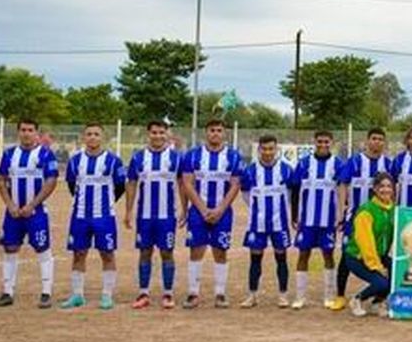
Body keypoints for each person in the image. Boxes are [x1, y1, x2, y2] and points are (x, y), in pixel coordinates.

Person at [0, 118, 60, 308]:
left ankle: (46, 292)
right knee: (10, 248)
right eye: (23, 129)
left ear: (36, 132)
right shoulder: (8, 154)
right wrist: (10, 205)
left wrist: (32, 204)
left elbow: (51, 182)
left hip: (36, 212)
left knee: (42, 248)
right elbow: (1, 180)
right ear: (18, 132)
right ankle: (7, 292)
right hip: (12, 213)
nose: (26, 133)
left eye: (30, 130)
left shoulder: (46, 154)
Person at [61, 122, 126, 310]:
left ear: (102, 137)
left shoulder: (113, 161)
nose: (92, 137)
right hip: (80, 216)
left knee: (107, 254)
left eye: (96, 134)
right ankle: (77, 295)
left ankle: (106, 295)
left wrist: (107, 202)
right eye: (89, 134)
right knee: (78, 253)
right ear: (84, 137)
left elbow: (120, 186)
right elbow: (72, 186)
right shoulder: (75, 161)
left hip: (104, 216)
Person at [180, 119, 244, 308]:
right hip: (198, 212)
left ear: (224, 133)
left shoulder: (233, 156)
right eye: (212, 130)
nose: (215, 133)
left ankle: (220, 294)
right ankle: (193, 293)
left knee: (220, 251)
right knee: (196, 250)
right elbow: (187, 184)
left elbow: (235, 185)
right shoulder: (193, 155)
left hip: (222, 212)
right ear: (206, 133)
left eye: (219, 130)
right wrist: (203, 209)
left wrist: (220, 209)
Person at [124, 119, 184, 310]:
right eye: (154, 132)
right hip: (145, 216)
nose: (157, 136)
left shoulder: (176, 158)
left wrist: (185, 208)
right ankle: (143, 292)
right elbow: (132, 183)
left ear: (167, 134)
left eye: (161, 132)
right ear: (148, 134)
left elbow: (183, 183)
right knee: (145, 252)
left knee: (167, 252)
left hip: (167, 216)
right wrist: (128, 210)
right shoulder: (138, 157)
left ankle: (168, 293)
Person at [333, 127, 393, 309]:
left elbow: (392, 187)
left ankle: (378, 297)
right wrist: (341, 211)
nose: (377, 142)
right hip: (354, 217)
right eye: (374, 138)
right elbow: (343, 184)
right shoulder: (355, 161)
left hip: (378, 216)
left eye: (380, 139)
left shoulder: (388, 163)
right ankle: (340, 295)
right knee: (346, 256)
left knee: (381, 252)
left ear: (384, 142)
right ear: (367, 141)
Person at [288, 130, 340, 309]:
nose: (323, 145)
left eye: (326, 142)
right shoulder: (304, 163)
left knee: (328, 255)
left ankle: (329, 295)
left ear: (332, 143)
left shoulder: (338, 164)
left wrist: (340, 216)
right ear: (314, 142)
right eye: (320, 142)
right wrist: (294, 215)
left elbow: (343, 191)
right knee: (303, 254)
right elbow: (294, 190)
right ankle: (300, 296)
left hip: (328, 220)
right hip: (306, 220)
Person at [242, 134, 294, 309]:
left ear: (276, 150)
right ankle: (252, 295)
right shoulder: (250, 171)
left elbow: (291, 195)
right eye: (264, 149)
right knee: (255, 259)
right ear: (259, 150)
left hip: (280, 223)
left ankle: (283, 295)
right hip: (257, 223)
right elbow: (246, 195)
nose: (267, 152)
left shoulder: (286, 170)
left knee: (281, 258)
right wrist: (258, 210)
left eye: (271, 148)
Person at [342, 172, 396, 317]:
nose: (386, 190)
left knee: (397, 273)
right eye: (382, 186)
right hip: (357, 257)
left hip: (379, 255)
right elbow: (366, 243)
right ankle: (357, 299)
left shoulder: (393, 210)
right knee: (382, 282)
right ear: (375, 189)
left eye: (389, 186)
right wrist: (376, 266)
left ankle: (377, 303)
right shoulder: (366, 211)